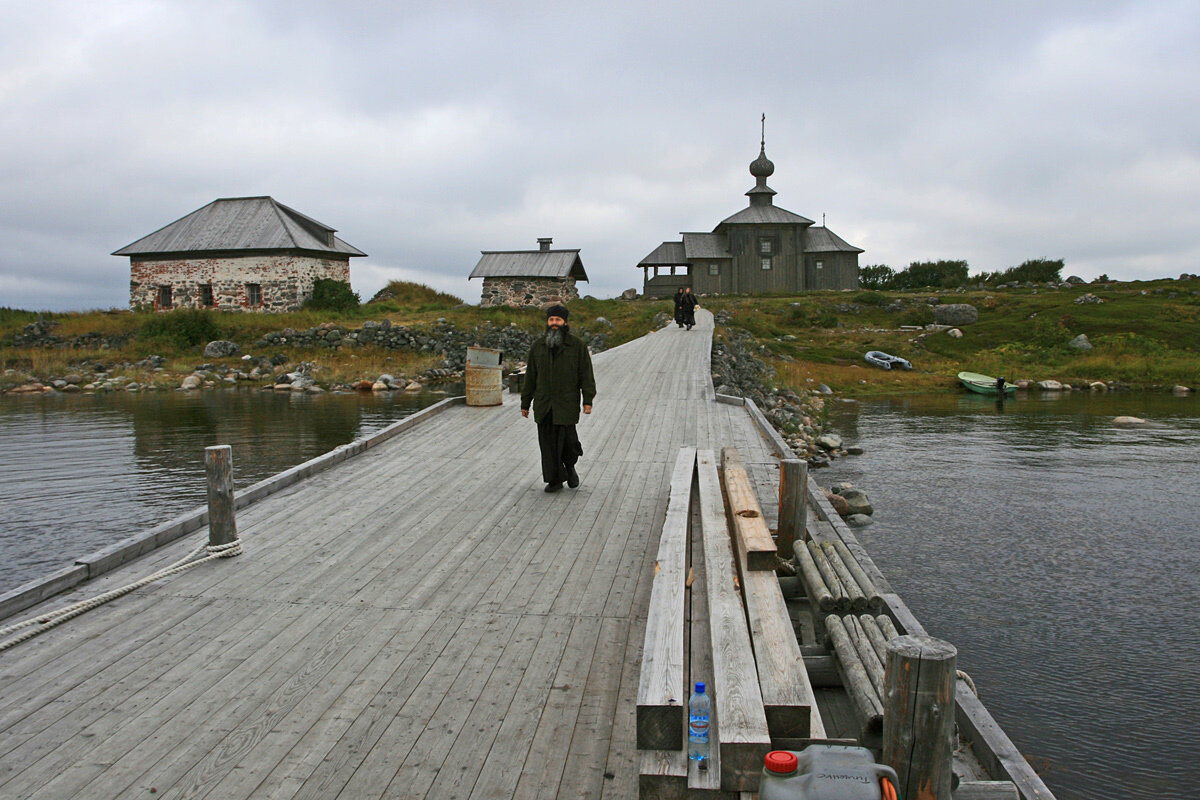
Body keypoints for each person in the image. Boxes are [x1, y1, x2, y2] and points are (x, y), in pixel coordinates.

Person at [521, 305, 596, 493]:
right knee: (547, 446)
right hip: (544, 404)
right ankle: (554, 480)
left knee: (569, 443)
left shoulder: (577, 346)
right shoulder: (538, 347)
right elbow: (530, 376)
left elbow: (586, 375)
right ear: (548, 322)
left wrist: (588, 400)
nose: (554, 323)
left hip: (566, 404)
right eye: (551, 320)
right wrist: (525, 403)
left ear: (565, 322)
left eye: (558, 320)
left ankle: (569, 467)